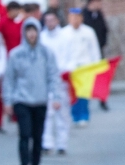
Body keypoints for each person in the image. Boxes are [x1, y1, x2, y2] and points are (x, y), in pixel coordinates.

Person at [3, 18, 60, 165]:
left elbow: (52, 76)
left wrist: (55, 96)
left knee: (37, 136)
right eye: (28, 30)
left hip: (40, 100)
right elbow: (9, 79)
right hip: (22, 100)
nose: (31, 34)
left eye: (34, 30)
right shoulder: (16, 54)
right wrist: (8, 100)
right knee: (25, 134)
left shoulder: (46, 53)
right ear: (24, 33)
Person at [63, 8, 101, 126]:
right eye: (72, 17)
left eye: (77, 17)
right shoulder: (63, 33)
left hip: (85, 66)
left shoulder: (89, 32)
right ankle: (75, 116)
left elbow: (94, 50)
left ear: (81, 18)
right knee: (73, 93)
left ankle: (84, 115)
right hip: (71, 67)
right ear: (69, 18)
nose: (75, 19)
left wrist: (97, 65)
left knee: (84, 92)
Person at [41, 11, 72, 155]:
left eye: (52, 20)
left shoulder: (65, 37)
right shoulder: (42, 38)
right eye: (47, 20)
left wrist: (67, 70)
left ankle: (62, 143)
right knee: (47, 112)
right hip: (46, 80)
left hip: (62, 78)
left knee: (62, 112)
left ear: (57, 21)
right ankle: (47, 143)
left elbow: (71, 56)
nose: (50, 23)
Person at [0, 1, 24, 131]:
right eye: (14, 10)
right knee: (4, 91)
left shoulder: (21, 24)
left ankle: (16, 115)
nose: (16, 13)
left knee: (19, 89)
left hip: (19, 61)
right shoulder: (2, 23)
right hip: (5, 61)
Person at [83, 0, 110, 110]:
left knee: (101, 77)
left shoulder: (99, 14)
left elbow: (105, 30)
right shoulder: (83, 15)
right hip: (86, 53)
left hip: (99, 50)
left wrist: (102, 43)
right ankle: (85, 102)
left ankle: (103, 100)